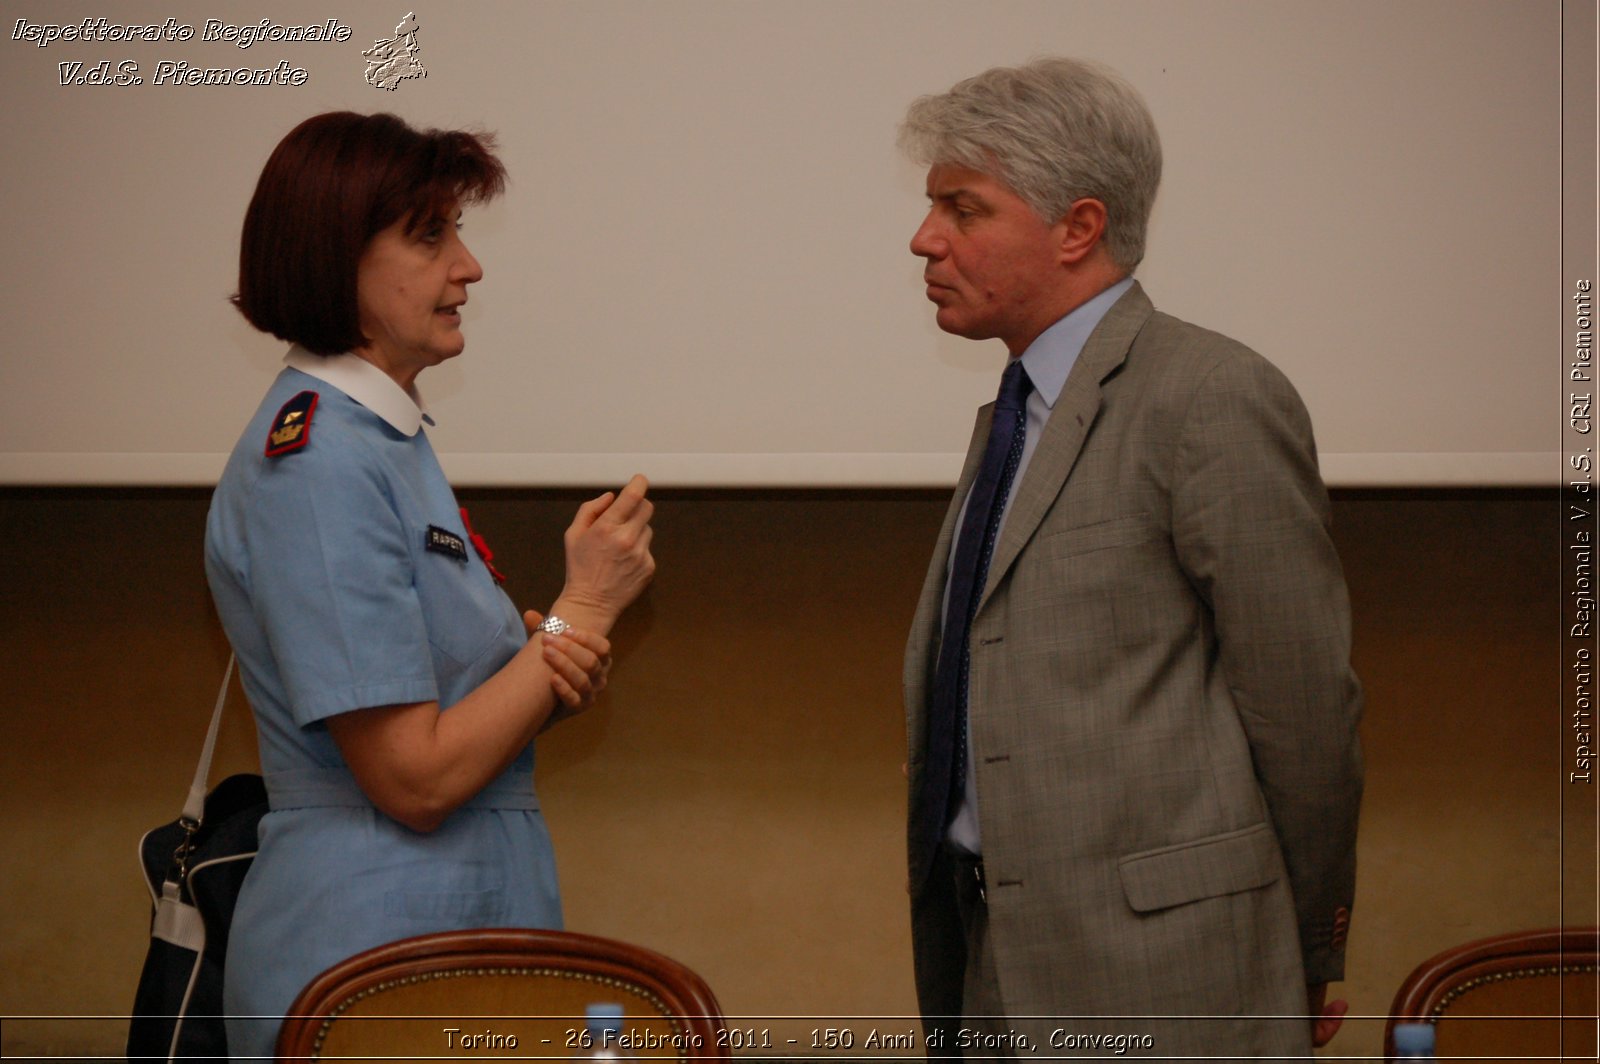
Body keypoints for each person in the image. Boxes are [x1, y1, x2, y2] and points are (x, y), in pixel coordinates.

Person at [899, 59, 1363, 1057]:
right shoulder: (1014, 414)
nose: (924, 237)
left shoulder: (1210, 395)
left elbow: (1304, 704)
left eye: (961, 208)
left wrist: (1310, 946)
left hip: (1170, 973)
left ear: (1078, 226)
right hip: (990, 956)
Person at [205, 111, 655, 1058]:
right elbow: (412, 776)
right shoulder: (318, 458)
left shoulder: (383, 440)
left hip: (438, 925)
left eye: (458, 231)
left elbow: (451, 710)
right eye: (429, 235)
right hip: (371, 947)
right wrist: (577, 618)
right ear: (337, 258)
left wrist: (554, 670)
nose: (469, 267)